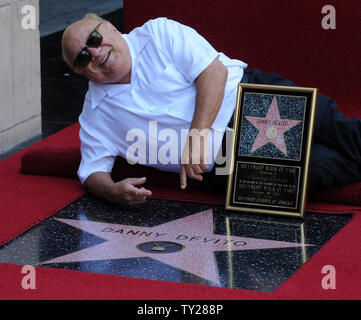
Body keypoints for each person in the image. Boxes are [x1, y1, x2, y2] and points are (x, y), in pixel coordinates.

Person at [61, 14, 361, 205]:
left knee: (344, 134)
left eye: (95, 39)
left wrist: (196, 137)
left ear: (111, 27)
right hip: (223, 159)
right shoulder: (95, 114)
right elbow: (91, 171)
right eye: (83, 57)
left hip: (247, 97)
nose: (95, 53)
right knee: (319, 166)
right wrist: (110, 191)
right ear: (80, 71)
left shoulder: (157, 33)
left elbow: (213, 73)